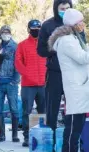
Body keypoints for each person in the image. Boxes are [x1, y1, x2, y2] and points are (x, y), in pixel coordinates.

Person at [48, 9, 89, 152]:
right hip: (75, 88)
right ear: (73, 24)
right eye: (80, 22)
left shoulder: (74, 38)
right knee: (73, 127)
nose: (82, 24)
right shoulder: (66, 41)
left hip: (80, 86)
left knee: (78, 125)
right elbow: (83, 58)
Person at [37, 0, 72, 145]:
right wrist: (55, 47)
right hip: (54, 72)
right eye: (61, 8)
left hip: (72, 73)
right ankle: (49, 143)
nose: (64, 10)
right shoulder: (47, 25)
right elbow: (41, 50)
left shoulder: (75, 23)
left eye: (67, 8)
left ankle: (70, 142)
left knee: (73, 109)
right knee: (52, 108)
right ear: (56, 8)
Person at [15, 20, 46, 147]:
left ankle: (41, 136)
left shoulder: (45, 44)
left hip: (43, 83)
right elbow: (18, 62)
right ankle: (27, 137)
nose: (36, 30)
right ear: (28, 29)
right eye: (33, 28)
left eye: (38, 28)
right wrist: (27, 73)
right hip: (28, 85)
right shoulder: (22, 45)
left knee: (42, 111)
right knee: (26, 111)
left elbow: (51, 60)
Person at [0, 25, 20, 142]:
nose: (5, 34)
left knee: (14, 108)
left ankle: (15, 135)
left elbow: (18, 65)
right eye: (3, 32)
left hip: (11, 83)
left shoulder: (15, 47)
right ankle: (2, 135)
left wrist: (14, 81)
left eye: (7, 32)